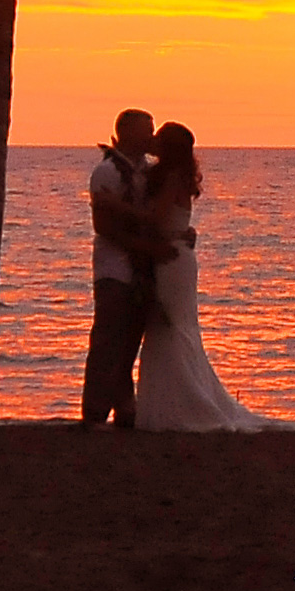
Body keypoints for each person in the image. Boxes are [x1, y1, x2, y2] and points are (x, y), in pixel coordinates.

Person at [130, 121, 262, 432]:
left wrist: (115, 207)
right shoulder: (171, 176)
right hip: (177, 255)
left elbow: (156, 218)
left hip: (172, 259)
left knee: (171, 328)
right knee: (172, 327)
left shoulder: (171, 177)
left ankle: (179, 405)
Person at [81, 108, 167, 427]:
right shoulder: (108, 172)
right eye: (147, 130)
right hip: (114, 268)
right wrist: (142, 245)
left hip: (142, 268)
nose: (152, 136)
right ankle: (94, 412)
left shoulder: (147, 171)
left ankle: (125, 408)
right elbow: (102, 225)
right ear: (127, 132)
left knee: (130, 340)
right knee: (108, 341)